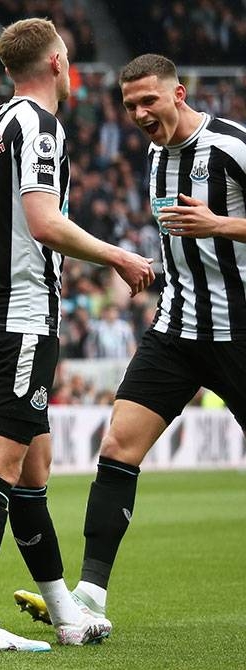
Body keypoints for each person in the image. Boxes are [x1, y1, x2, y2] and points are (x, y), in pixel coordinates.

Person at [13, 52, 246, 633]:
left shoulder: (233, 147)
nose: (141, 113)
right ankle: (90, 597)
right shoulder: (152, 156)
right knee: (118, 448)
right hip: (175, 331)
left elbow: (214, 231)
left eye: (150, 100)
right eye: (130, 104)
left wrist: (221, 225)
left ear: (180, 94)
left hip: (239, 333)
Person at [0, 18, 154, 652]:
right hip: (19, 317)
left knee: (33, 470)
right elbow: (43, 222)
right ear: (60, 61)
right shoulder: (39, 126)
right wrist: (117, 255)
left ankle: (67, 613)